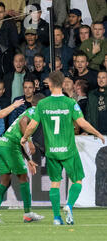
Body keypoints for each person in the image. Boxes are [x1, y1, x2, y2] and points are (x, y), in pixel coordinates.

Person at [21, 71, 105, 225]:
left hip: (52, 151)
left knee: (55, 184)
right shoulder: (70, 103)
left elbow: (32, 125)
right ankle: (69, 205)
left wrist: (25, 137)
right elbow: (81, 123)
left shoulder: (42, 104)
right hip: (69, 150)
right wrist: (97, 133)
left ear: (51, 84)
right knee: (78, 180)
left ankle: (56, 218)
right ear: (62, 84)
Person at [0, 95, 44, 224]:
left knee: (5, 181)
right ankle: (28, 214)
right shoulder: (34, 111)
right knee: (24, 178)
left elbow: (20, 140)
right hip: (10, 146)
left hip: (1, 144)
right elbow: (23, 122)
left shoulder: (28, 111)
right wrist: (29, 140)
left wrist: (29, 159)